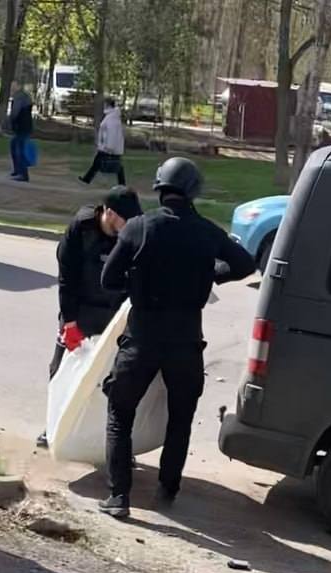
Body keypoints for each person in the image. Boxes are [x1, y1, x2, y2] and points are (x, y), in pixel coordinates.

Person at [98, 157, 256, 518]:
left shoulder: (138, 227)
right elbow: (245, 264)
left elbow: (109, 279)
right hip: (186, 341)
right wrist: (211, 274)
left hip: (142, 338)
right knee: (180, 418)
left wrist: (138, 282)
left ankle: (119, 498)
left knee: (120, 413)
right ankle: (168, 490)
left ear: (159, 188)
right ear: (193, 192)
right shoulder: (207, 232)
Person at [37, 186, 144, 448]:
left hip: (114, 315)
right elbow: (66, 277)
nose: (129, 225)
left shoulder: (132, 234)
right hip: (80, 310)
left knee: (113, 378)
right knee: (62, 369)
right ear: (109, 213)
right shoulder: (81, 229)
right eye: (125, 219)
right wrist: (69, 322)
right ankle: (54, 427)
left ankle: (112, 440)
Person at [79, 98, 126, 186]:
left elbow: (112, 133)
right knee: (97, 163)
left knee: (116, 165)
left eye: (105, 104)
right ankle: (87, 179)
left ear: (108, 105)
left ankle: (122, 184)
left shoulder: (111, 118)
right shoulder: (111, 116)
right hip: (107, 146)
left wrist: (109, 147)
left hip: (108, 147)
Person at [9, 80, 34, 182]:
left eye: (13, 86)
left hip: (22, 126)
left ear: (19, 86)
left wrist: (11, 121)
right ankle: (18, 170)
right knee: (14, 145)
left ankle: (23, 174)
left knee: (20, 149)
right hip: (24, 126)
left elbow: (15, 112)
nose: (12, 88)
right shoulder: (24, 96)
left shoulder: (19, 96)